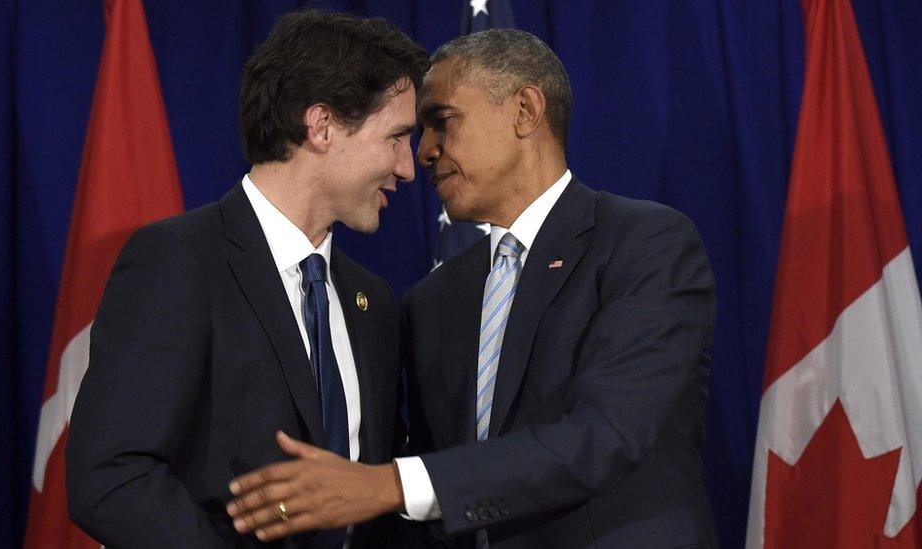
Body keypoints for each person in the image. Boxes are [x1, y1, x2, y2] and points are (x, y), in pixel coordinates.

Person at [225, 28, 718, 549]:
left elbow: (606, 436)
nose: (423, 153)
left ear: (525, 111)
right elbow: (438, 491)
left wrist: (388, 484)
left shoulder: (644, 244)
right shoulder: (435, 300)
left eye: (442, 122)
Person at [65, 10, 428, 548]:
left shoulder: (369, 300)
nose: (407, 167)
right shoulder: (180, 261)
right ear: (322, 125)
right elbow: (111, 478)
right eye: (396, 137)